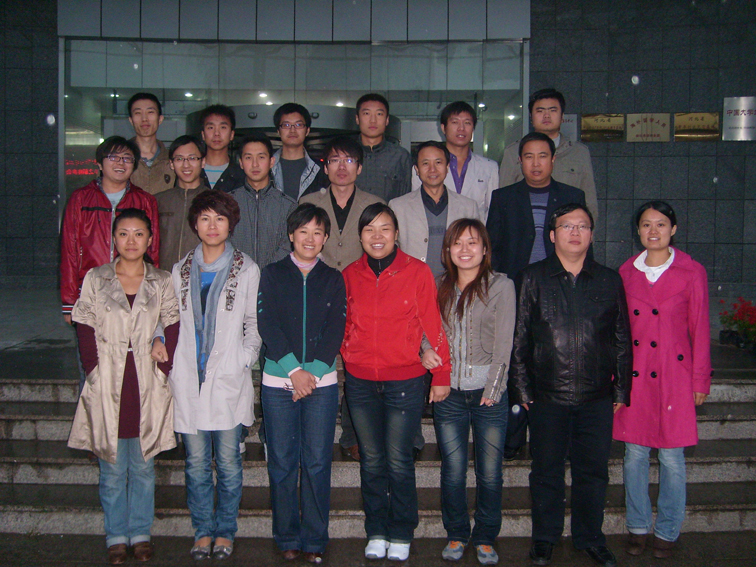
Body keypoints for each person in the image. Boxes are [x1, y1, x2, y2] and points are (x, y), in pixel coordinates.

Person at [510, 203, 632, 567]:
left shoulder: (609, 280)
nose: (575, 232)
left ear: (592, 235)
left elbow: (622, 338)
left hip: (597, 397)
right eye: (567, 226)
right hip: (547, 396)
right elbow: (519, 340)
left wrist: (621, 390)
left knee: (592, 472)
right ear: (552, 235)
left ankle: (590, 537)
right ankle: (545, 537)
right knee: (546, 471)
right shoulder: (532, 278)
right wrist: (522, 389)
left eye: (582, 226)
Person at [67, 208, 179, 565]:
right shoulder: (97, 278)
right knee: (113, 467)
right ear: (113, 238)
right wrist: (93, 370)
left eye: (139, 234)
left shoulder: (160, 280)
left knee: (143, 467)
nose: (131, 241)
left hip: (146, 378)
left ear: (150, 239)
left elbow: (172, 323)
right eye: (124, 234)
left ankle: (141, 534)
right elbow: (84, 324)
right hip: (108, 378)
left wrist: (164, 367)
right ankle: (116, 536)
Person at [341, 203, 451, 562]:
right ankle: (376, 529)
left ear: (397, 233)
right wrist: (349, 351)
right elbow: (343, 322)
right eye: (369, 229)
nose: (377, 236)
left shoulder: (417, 271)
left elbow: (432, 323)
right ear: (360, 236)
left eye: (385, 228)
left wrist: (442, 373)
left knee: (399, 459)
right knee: (371, 459)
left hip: (405, 380)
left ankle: (402, 530)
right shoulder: (350, 274)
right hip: (360, 381)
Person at [613, 201, 711, 559]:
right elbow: (618, 331)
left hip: (674, 374)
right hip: (637, 375)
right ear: (637, 230)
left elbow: (700, 327)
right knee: (634, 455)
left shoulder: (691, 271)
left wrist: (700, 380)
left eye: (660, 224)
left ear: (673, 229)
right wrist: (615, 380)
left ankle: (668, 529)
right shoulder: (626, 272)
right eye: (645, 224)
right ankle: (638, 526)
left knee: (672, 458)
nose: (652, 231)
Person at [169, 190, 262, 561]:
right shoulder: (180, 269)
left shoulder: (246, 269)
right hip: (189, 377)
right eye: (205, 218)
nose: (212, 226)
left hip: (227, 378)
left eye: (220, 218)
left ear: (230, 224)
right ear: (195, 224)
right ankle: (202, 531)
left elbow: (254, 322)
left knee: (228, 463)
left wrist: (244, 357)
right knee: (195, 464)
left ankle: (225, 531)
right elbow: (169, 319)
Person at [486, 131, 586, 460]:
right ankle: (513, 436)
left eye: (543, 156)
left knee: (555, 361)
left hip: (559, 291)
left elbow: (583, 243)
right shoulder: (504, 197)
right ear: (520, 161)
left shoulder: (572, 195)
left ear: (553, 160)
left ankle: (552, 434)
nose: (536, 163)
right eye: (529, 156)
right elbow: (493, 249)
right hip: (515, 291)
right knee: (517, 359)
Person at [257, 203, 347, 564]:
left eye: (317, 232)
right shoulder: (272, 274)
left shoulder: (333, 278)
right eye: (303, 231)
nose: (310, 238)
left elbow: (336, 329)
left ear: (325, 238)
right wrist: (295, 371)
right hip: (278, 381)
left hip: (321, 385)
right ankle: (287, 536)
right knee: (281, 461)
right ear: (291, 235)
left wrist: (313, 373)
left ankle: (314, 538)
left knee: (317, 462)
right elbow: (267, 323)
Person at [431, 219, 516, 566]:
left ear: (484, 249)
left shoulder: (501, 286)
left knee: (490, 472)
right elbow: (428, 331)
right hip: (448, 394)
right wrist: (426, 353)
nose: (464, 250)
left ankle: (484, 537)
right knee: (452, 470)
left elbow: (504, 343)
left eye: (472, 242)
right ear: (447, 250)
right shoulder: (439, 285)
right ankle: (456, 533)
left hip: (488, 394)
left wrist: (494, 388)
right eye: (457, 243)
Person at [299, 136, 384, 462]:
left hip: (360, 295)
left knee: (356, 369)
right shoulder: (309, 201)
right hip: (316, 294)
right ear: (325, 167)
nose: (342, 167)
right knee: (317, 359)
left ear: (359, 167)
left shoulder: (374, 203)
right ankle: (311, 433)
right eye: (334, 160)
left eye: (349, 160)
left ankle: (352, 435)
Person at [498, 88, 597, 221]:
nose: (546, 116)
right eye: (540, 111)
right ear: (531, 117)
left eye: (552, 110)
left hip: (567, 228)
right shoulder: (513, 152)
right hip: (525, 227)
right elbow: (503, 200)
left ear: (562, 116)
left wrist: (586, 230)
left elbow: (589, 201)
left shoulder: (579, 152)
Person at [391, 141, 481, 277]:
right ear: (416, 169)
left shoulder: (468, 207)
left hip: (456, 282)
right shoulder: (398, 207)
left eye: (438, 162)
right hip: (412, 281)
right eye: (425, 163)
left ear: (447, 166)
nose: (432, 169)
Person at [411, 101, 498, 220]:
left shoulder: (489, 167)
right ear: (443, 128)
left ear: (473, 128)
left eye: (467, 123)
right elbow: (416, 206)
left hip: (474, 231)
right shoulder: (424, 166)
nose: (461, 128)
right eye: (455, 122)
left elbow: (493, 212)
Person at [229, 133, 297, 270]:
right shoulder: (228, 202)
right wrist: (245, 272)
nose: (255, 164)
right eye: (248, 158)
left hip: (275, 277)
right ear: (241, 163)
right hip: (237, 277)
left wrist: (267, 273)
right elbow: (223, 242)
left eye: (261, 157)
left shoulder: (288, 206)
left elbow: (289, 245)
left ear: (271, 161)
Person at [156, 135, 209, 268]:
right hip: (165, 276)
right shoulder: (158, 201)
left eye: (192, 158)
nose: (186, 165)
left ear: (203, 162)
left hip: (202, 275)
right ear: (171, 164)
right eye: (179, 159)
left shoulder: (215, 200)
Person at [353, 93, 412, 202]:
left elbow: (406, 198)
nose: (373, 120)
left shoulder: (400, 156)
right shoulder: (346, 154)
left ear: (387, 120)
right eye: (366, 113)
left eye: (379, 114)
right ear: (357, 119)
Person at [271, 102, 326, 200]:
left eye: (298, 125)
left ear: (307, 130)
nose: (292, 130)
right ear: (278, 131)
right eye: (286, 125)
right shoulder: (266, 167)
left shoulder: (320, 169)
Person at [127, 92, 175, 194]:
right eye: (138, 113)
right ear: (131, 120)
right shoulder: (120, 159)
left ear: (160, 119)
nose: (144, 119)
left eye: (150, 112)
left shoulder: (172, 159)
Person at [199, 104, 246, 192]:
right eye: (211, 127)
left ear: (232, 134)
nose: (216, 133)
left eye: (223, 127)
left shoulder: (242, 175)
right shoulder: (192, 171)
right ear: (203, 134)